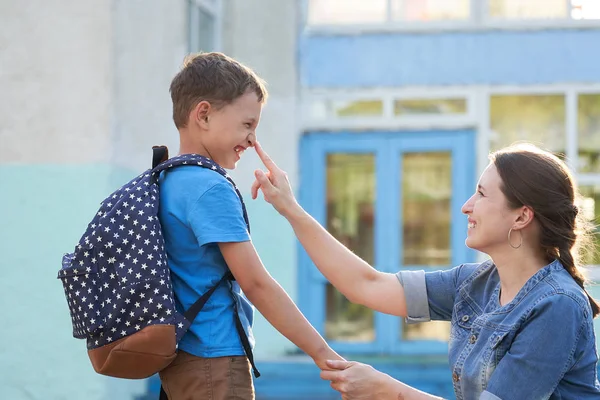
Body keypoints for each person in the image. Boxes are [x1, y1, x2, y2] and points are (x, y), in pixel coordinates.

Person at [251, 141, 600, 400]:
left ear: (522, 216)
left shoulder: (558, 306)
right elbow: (365, 284)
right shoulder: (474, 283)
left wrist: (385, 390)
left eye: (481, 194)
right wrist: (289, 208)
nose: (467, 207)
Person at [157, 52, 342, 400]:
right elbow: (257, 284)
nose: (253, 141)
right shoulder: (210, 188)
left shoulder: (168, 179)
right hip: (215, 360)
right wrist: (326, 356)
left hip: (181, 361)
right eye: (247, 125)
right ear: (204, 114)